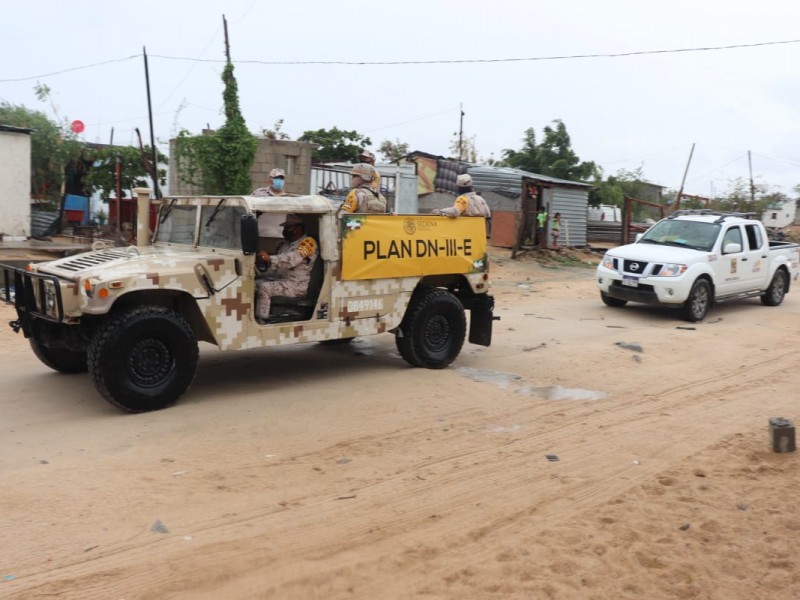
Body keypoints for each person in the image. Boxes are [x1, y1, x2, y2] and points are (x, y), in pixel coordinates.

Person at [254, 214, 318, 323]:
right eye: (285, 228)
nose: (285, 230)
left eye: (289, 227)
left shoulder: (308, 243)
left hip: (296, 285)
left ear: (299, 228)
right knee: (251, 284)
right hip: (281, 280)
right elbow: (278, 268)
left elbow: (291, 260)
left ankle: (261, 320)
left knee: (265, 287)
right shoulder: (285, 245)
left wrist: (270, 259)